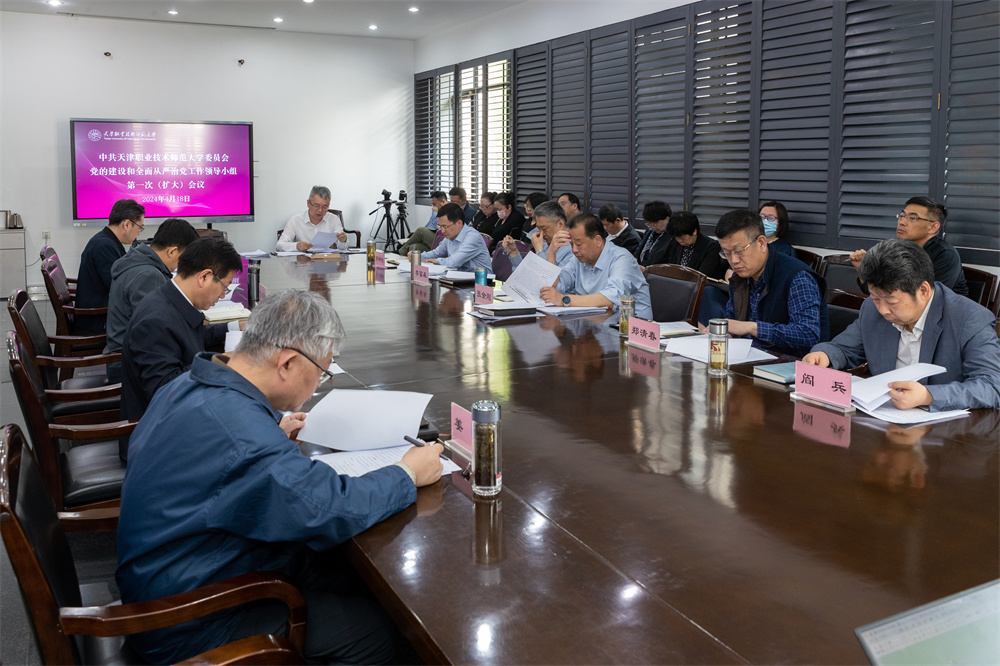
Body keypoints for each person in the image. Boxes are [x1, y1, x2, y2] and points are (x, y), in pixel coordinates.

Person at [116, 289, 444, 664]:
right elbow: (329, 508)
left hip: (174, 575)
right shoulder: (243, 438)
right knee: (375, 635)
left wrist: (268, 430)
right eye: (321, 372)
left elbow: (224, 455)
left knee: (344, 574)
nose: (318, 385)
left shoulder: (188, 384)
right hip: (190, 620)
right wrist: (407, 472)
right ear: (286, 363)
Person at [803, 239, 1000, 411]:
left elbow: (991, 386)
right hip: (883, 419)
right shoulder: (871, 309)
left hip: (948, 431)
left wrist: (928, 396)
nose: (883, 310)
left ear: (923, 290)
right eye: (875, 298)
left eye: (891, 301)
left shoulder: (970, 319)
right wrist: (824, 355)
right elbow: (844, 348)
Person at [119, 237, 244, 460]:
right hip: (156, 440)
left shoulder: (171, 299)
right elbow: (164, 388)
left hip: (177, 420)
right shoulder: (155, 320)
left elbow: (188, 337)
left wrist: (236, 326)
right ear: (204, 277)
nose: (223, 295)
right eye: (224, 287)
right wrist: (221, 361)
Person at [717, 208, 829, 357]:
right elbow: (734, 324)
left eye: (739, 251)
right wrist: (726, 333)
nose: (734, 260)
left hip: (790, 363)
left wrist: (752, 328)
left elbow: (807, 334)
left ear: (761, 243)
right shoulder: (740, 276)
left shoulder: (797, 277)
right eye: (727, 253)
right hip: (749, 357)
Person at [104, 218, 199, 381]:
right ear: (172, 251)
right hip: (128, 366)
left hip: (124, 355)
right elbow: (156, 331)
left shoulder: (137, 261)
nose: (182, 266)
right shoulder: (149, 275)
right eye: (184, 258)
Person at [540, 213, 652, 320]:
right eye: (571, 244)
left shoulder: (621, 258)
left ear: (597, 240)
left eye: (578, 244)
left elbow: (610, 299)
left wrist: (564, 300)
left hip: (629, 326)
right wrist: (551, 253)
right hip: (593, 322)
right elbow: (557, 286)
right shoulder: (578, 259)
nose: (574, 250)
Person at [850, 196, 969, 297]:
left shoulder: (945, 254)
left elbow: (929, 298)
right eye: (902, 216)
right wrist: (862, 270)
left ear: (933, 227)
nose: (902, 222)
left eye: (913, 218)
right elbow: (878, 294)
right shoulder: (895, 249)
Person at [75, 198, 146, 334]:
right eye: (140, 227)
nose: (139, 232)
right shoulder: (104, 246)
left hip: (101, 312)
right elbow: (117, 288)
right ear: (126, 224)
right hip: (97, 321)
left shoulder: (107, 241)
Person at [410, 202, 491, 271]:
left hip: (481, 281)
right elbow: (436, 253)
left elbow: (453, 262)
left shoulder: (472, 237)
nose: (442, 231)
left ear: (459, 223)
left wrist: (436, 261)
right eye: (440, 226)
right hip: (460, 278)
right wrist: (418, 256)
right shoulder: (450, 236)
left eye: (445, 227)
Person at [502, 200, 574, 270]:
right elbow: (526, 273)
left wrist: (539, 251)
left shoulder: (573, 248)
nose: (541, 234)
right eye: (539, 229)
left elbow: (546, 276)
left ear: (560, 224)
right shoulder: (546, 244)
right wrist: (514, 252)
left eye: (544, 228)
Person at [276, 185, 348, 252]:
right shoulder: (295, 220)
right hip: (302, 260)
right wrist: (296, 246)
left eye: (325, 207)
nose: (320, 210)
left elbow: (342, 248)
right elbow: (280, 245)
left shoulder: (334, 219)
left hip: (325, 260)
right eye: (316, 206)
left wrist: (343, 241)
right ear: (308, 203)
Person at [661, 211, 726, 279]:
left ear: (694, 231)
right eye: (676, 237)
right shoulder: (675, 243)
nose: (679, 240)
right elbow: (670, 266)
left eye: (682, 238)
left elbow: (702, 276)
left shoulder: (711, 247)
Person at [397, 190, 447, 255]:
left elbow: (434, 226)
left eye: (435, 204)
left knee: (420, 230)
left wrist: (435, 213)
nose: (433, 207)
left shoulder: (448, 211)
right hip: (435, 239)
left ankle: (400, 252)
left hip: (442, 240)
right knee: (413, 247)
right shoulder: (439, 211)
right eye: (432, 204)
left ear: (443, 202)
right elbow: (428, 227)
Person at [633, 200, 672, 269]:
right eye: (649, 223)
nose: (652, 226)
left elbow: (669, 265)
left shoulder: (673, 237)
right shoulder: (650, 232)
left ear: (667, 219)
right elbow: (637, 253)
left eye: (655, 223)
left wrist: (646, 271)